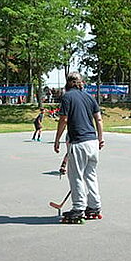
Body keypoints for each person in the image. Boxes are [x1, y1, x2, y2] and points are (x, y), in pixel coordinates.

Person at [54, 71, 105, 223]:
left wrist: (57, 139)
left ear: (68, 83)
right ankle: (94, 205)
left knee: (75, 175)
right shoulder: (89, 97)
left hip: (78, 142)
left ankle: (78, 208)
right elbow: (99, 119)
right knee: (90, 175)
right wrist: (101, 138)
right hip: (93, 142)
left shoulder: (67, 97)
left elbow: (63, 119)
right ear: (81, 82)